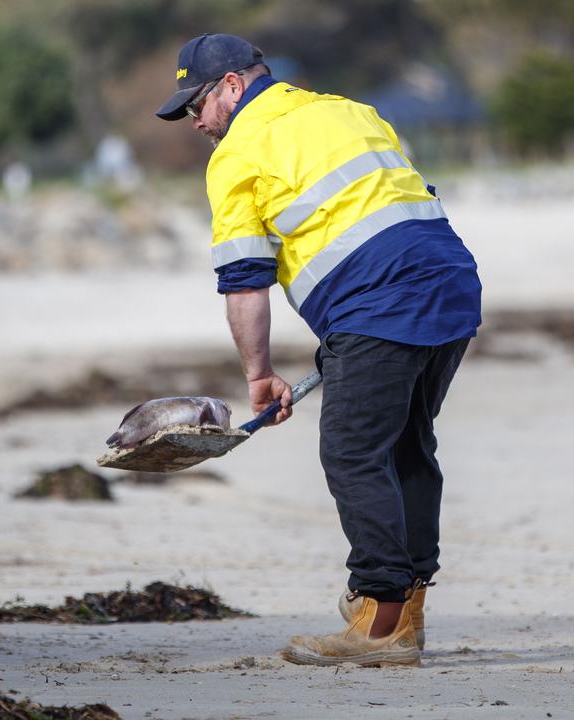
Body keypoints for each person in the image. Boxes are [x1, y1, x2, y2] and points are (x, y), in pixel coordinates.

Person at [155, 33, 482, 667]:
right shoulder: (349, 109)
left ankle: (379, 620)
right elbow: (374, 210)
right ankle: (403, 613)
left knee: (353, 453)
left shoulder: (238, 154)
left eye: (196, 104)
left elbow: (245, 284)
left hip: (379, 301)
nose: (195, 121)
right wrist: (341, 343)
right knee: (407, 443)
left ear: (232, 85)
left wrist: (259, 376)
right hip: (450, 284)